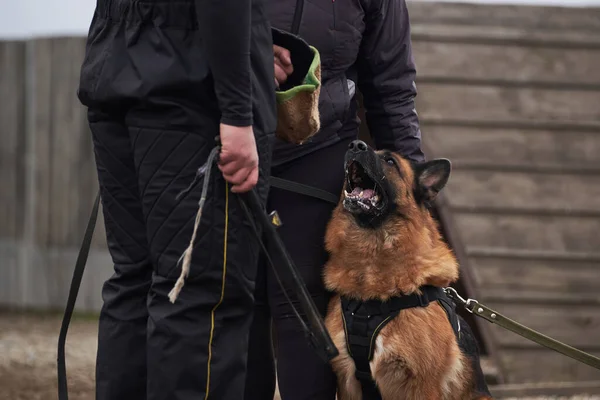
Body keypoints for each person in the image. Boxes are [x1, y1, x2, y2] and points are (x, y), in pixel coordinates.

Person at [76, 0, 276, 399]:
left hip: (116, 66)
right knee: (200, 294)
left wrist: (259, 40)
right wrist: (238, 113)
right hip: (191, 96)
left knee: (135, 280)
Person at [243, 0, 425, 399]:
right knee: (232, 308)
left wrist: (412, 190)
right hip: (222, 143)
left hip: (317, 148)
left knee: (303, 310)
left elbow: (391, 88)